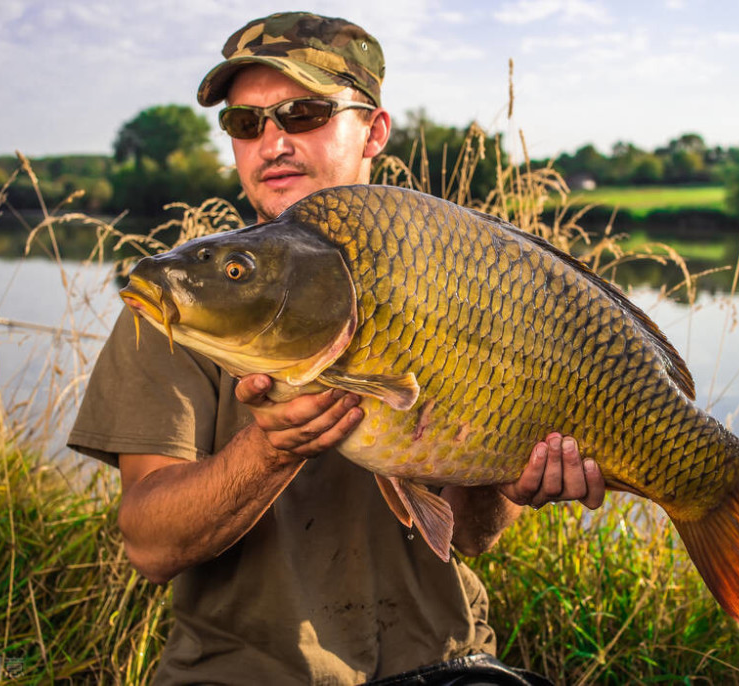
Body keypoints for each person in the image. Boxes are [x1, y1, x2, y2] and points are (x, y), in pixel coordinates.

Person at [69, 11, 606, 685]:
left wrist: (514, 483)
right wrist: (271, 448)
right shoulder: (183, 306)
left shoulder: (455, 278)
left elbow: (471, 535)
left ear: (374, 130)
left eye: (304, 114)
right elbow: (150, 544)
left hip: (444, 661)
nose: (272, 143)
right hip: (241, 674)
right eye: (246, 123)